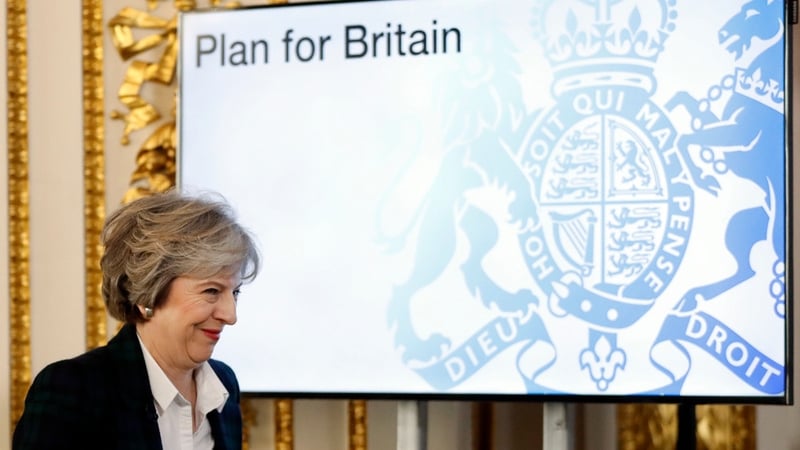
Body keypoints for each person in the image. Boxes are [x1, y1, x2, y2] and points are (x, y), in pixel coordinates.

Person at [12, 189, 260, 450]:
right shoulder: (73, 389)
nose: (230, 315)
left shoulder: (224, 384)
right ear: (147, 294)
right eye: (211, 291)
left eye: (235, 292)